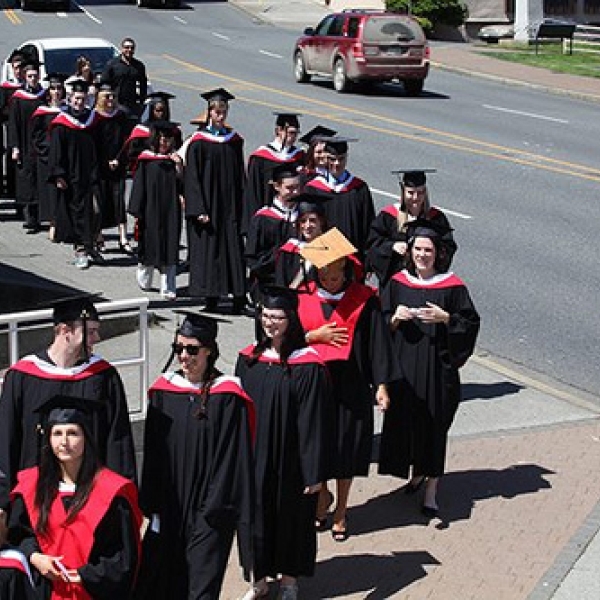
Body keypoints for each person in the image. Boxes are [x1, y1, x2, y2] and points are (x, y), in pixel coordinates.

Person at [135, 312, 255, 600]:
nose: (184, 356)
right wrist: (152, 505)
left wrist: (214, 509)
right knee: (165, 581)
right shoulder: (164, 393)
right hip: (170, 507)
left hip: (210, 510)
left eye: (191, 350)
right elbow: (153, 455)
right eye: (178, 349)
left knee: (202, 585)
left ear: (209, 351)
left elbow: (232, 459)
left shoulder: (227, 396)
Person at [297, 230, 399, 542]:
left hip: (352, 386)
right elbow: (285, 342)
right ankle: (322, 495)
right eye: (324, 273)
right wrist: (312, 337)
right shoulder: (302, 298)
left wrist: (381, 385)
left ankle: (341, 509)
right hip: (315, 388)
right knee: (319, 447)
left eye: (336, 272)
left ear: (346, 268)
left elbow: (378, 346)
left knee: (346, 450)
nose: (330, 279)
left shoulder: (364, 301)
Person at [0, 295, 137, 522]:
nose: (97, 338)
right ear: (65, 331)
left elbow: (117, 441)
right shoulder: (22, 377)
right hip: (34, 499)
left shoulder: (103, 377)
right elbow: (6, 439)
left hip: (90, 500)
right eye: (90, 331)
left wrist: (122, 496)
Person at [379, 219, 480, 518]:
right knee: (409, 426)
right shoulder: (397, 283)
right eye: (418, 249)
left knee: (434, 428)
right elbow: (379, 324)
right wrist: (394, 318)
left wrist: (447, 319)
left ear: (438, 254)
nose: (423, 255)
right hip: (404, 372)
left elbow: (470, 324)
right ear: (410, 251)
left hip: (438, 371)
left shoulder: (453, 286)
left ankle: (432, 489)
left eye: (429, 250)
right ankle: (416, 474)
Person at [236, 287, 332, 600]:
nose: (270, 323)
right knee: (255, 519)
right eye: (265, 315)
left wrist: (314, 471)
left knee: (291, 519)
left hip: (293, 461)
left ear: (291, 319)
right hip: (255, 457)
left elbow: (315, 421)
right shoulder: (248, 360)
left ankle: (289, 582)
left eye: (277, 317)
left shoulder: (308, 365)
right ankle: (259, 580)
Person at [2, 395, 142, 599]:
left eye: (73, 433)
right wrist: (35, 557)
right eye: (57, 433)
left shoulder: (111, 491)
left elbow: (123, 558)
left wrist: (85, 575)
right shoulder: (32, 486)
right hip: (43, 591)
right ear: (48, 439)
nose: (64, 442)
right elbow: (18, 535)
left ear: (86, 438)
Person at [184, 88, 246, 314]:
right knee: (211, 252)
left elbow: (241, 175)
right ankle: (211, 297)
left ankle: (239, 296)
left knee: (233, 250)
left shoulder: (234, 141)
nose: (221, 115)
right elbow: (192, 179)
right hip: (209, 207)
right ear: (209, 112)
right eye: (217, 111)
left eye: (224, 111)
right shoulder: (198, 143)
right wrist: (199, 208)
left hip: (229, 206)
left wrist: (243, 206)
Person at [366, 169, 457, 289]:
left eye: (420, 193)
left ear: (425, 193)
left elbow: (448, 246)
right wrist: (392, 246)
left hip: (427, 282)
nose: (415, 197)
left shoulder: (436, 218)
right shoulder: (388, 216)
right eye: (410, 192)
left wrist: (431, 253)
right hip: (395, 283)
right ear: (403, 192)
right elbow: (372, 244)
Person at [47, 79, 101, 270]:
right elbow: (56, 152)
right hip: (72, 177)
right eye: (76, 98)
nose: (79, 102)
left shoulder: (92, 120)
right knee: (78, 213)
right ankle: (81, 250)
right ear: (70, 99)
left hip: (91, 174)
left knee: (96, 211)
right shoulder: (62, 123)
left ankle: (92, 245)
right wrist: (58, 174)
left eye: (82, 98)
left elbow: (100, 147)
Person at [128, 121, 183, 301]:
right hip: (150, 209)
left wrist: (179, 167)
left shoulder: (175, 160)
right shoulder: (146, 159)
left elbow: (183, 185)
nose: (164, 143)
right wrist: (137, 209)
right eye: (161, 139)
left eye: (168, 139)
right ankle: (145, 277)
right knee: (149, 243)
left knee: (170, 246)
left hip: (170, 210)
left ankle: (168, 287)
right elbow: (139, 185)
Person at [303, 136, 375, 260]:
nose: (337, 163)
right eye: (332, 159)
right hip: (322, 258)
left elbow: (368, 226)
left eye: (341, 159)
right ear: (325, 158)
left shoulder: (359, 189)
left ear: (346, 158)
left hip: (353, 258)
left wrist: (367, 260)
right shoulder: (313, 189)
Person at [242, 113, 305, 235]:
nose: (293, 138)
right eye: (291, 133)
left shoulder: (298, 156)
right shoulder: (261, 157)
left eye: (296, 133)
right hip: (267, 219)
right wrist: (253, 224)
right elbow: (253, 192)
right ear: (278, 131)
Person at [244, 165, 301, 298]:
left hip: (300, 284)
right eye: (290, 188)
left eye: (298, 187)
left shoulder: (305, 217)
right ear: (276, 187)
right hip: (269, 284)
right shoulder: (263, 218)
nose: (295, 192)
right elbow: (252, 256)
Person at [7, 59, 46, 232]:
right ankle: (29, 217)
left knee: (39, 179)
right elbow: (13, 124)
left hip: (39, 144)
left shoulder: (43, 96)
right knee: (26, 180)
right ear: (25, 77)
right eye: (30, 76)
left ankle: (39, 216)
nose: (32, 79)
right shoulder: (18, 98)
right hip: (23, 143)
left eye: (35, 76)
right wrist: (14, 147)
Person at [93, 83, 131, 253]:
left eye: (113, 96)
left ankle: (123, 238)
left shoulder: (121, 116)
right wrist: (105, 161)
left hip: (118, 165)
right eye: (106, 96)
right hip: (100, 168)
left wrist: (118, 159)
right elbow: (93, 144)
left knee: (119, 202)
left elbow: (126, 141)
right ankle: (99, 237)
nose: (110, 100)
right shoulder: (94, 117)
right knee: (100, 202)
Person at [29, 73, 67, 241]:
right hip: (46, 158)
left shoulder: (67, 111)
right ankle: (52, 222)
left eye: (59, 88)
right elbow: (36, 135)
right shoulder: (42, 112)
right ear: (48, 91)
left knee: (65, 190)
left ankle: (63, 223)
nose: (56, 92)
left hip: (64, 158)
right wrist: (48, 150)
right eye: (53, 88)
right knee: (49, 191)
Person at [101, 38, 148, 123]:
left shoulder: (139, 66)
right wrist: (108, 101)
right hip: (115, 104)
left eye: (132, 48)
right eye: (127, 47)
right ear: (122, 49)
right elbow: (104, 83)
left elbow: (143, 85)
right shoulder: (112, 64)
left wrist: (141, 102)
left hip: (132, 105)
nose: (129, 50)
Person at [1, 50, 27, 200]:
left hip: (28, 130)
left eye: (21, 67)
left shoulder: (30, 88)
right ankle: (12, 189)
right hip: (12, 128)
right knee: (12, 159)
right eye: (16, 67)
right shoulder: (6, 88)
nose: (18, 71)